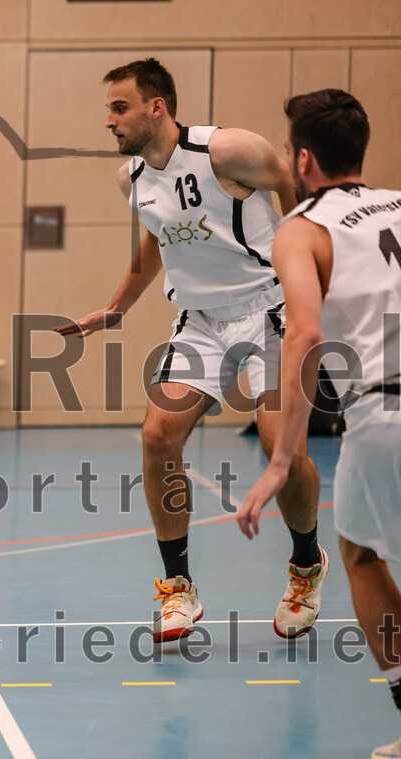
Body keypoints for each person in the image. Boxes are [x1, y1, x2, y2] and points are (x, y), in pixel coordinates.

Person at [57, 58, 324, 643]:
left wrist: (300, 262)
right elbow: (156, 240)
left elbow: (291, 184)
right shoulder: (132, 178)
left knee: (282, 441)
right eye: (109, 109)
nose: (110, 120)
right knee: (158, 437)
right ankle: (179, 589)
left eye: (119, 107)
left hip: (268, 310)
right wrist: (117, 307)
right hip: (200, 322)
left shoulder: (225, 151)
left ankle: (306, 563)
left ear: (157, 107)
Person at [237, 90, 401, 759]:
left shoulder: (301, 228)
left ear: (301, 159)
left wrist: (284, 457)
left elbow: (303, 332)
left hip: (384, 410)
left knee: (360, 553)